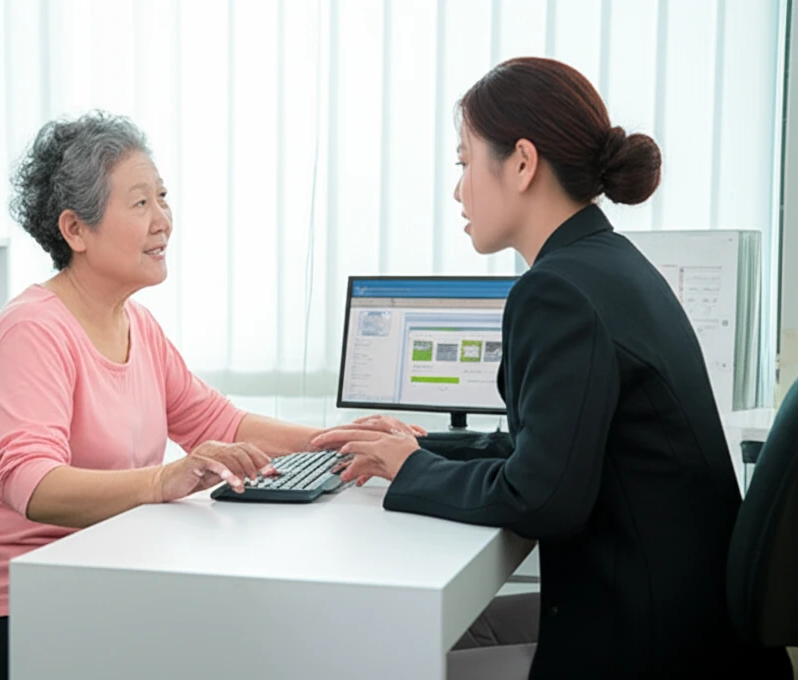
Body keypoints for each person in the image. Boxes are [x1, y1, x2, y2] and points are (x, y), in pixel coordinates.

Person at [312, 57, 793, 679]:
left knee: (380, 654)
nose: (458, 189)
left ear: (521, 162)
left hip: (640, 648)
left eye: (463, 163)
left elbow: (541, 498)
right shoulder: (612, 264)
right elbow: (547, 446)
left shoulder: (557, 291)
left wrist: (413, 472)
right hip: (688, 631)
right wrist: (426, 447)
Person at [0, 111, 374, 680]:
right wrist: (163, 481)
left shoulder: (137, 323)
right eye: (140, 204)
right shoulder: (32, 332)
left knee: (264, 637)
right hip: (5, 612)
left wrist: (336, 440)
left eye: (163, 197)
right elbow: (30, 483)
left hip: (99, 580)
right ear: (75, 230)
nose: (163, 219)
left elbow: (219, 422)